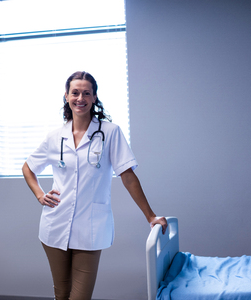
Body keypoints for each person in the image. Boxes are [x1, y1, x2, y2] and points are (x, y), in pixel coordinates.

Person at [22, 71, 167, 300]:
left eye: (86, 93)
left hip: (90, 227)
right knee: (61, 295)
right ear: (67, 96)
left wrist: (151, 216)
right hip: (55, 224)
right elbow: (28, 168)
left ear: (94, 97)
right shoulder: (55, 137)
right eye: (75, 93)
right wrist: (40, 194)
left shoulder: (110, 132)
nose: (80, 98)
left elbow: (127, 176)